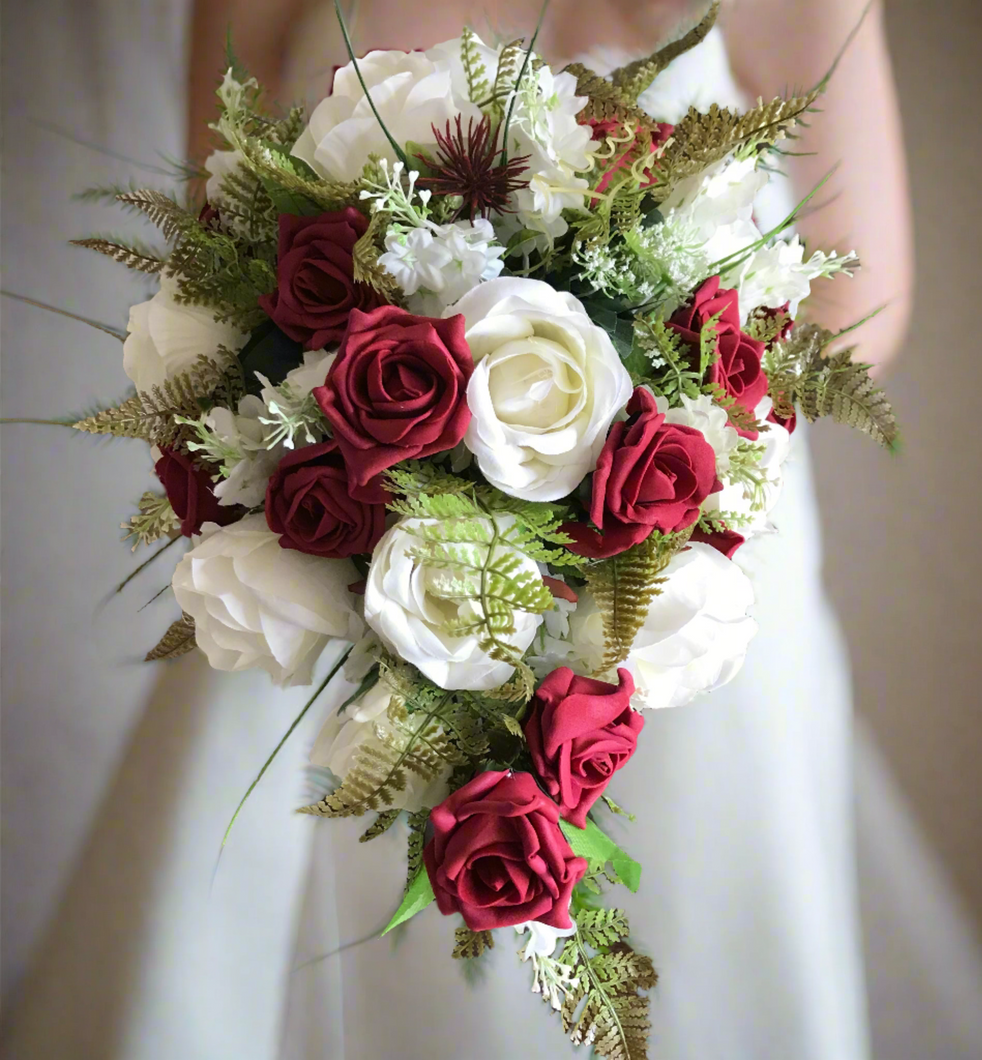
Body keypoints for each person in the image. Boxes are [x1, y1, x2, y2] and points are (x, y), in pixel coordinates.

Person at [193, 2, 913, 1057]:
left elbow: (862, 303)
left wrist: (617, 447)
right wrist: (411, 454)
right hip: (335, 558)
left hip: (676, 570)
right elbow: (220, 279)